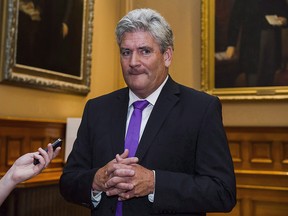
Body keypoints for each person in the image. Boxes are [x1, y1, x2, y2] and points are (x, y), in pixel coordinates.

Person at [60, 8, 236, 216]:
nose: (133, 62)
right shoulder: (97, 109)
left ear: (167, 56)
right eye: (126, 52)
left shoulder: (201, 109)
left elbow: (222, 192)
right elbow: (68, 182)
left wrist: (155, 183)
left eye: (145, 51)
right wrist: (97, 180)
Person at [226, 0, 288, 86]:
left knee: (270, 76)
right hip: (252, 42)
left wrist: (284, 20)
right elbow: (235, 18)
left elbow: (284, 13)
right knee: (253, 78)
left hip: (272, 39)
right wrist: (231, 44)